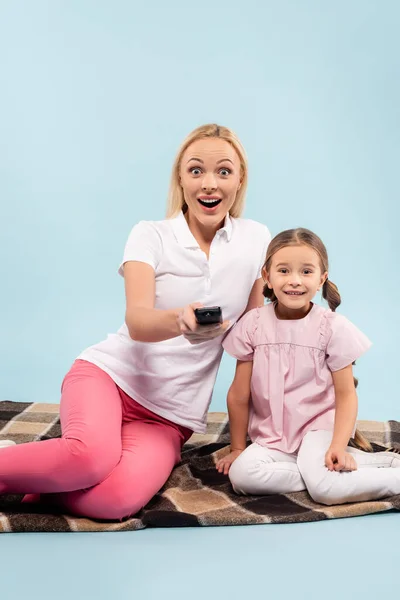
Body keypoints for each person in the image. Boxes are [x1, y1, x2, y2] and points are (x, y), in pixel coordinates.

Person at [0, 124, 271, 520]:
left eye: (223, 171)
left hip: (169, 417)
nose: (209, 184)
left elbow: (251, 332)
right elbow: (139, 321)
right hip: (109, 378)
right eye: (196, 170)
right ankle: (39, 467)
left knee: (115, 502)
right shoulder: (150, 235)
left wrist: (250, 434)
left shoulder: (256, 238)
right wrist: (181, 321)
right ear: (180, 177)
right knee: (89, 459)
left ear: (240, 179)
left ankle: (40, 482)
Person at [216, 228, 400, 505]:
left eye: (306, 272)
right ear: (267, 276)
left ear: (321, 279)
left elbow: (346, 394)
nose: (294, 281)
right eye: (283, 270)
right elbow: (239, 394)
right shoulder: (253, 325)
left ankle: (357, 479)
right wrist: (238, 447)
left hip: (319, 430)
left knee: (326, 491)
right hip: (273, 435)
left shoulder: (331, 327)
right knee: (243, 476)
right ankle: (326, 473)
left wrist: (337, 445)